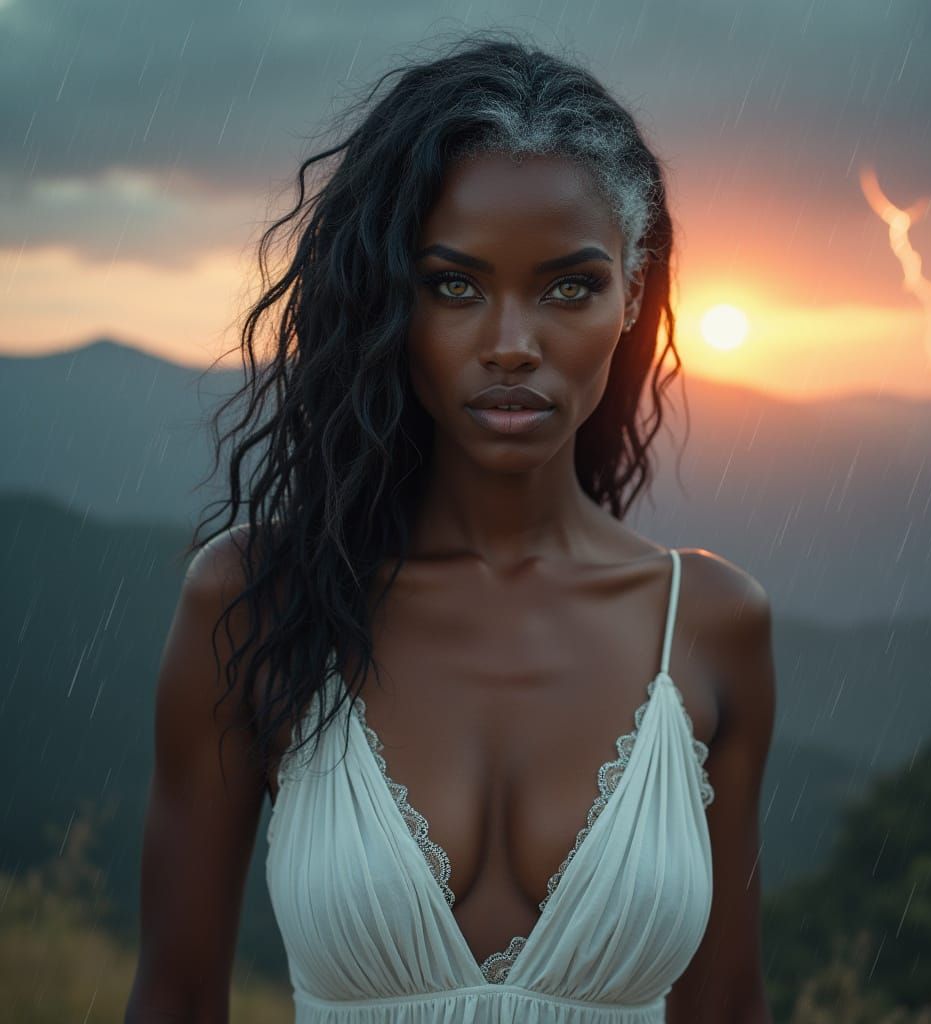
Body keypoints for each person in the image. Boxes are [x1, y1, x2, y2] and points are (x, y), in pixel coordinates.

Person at [125, 29, 775, 1024]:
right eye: (454, 286)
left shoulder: (711, 623)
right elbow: (173, 999)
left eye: (568, 286)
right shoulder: (258, 601)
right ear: (390, 300)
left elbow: (727, 1006)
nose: (512, 344)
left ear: (631, 293)